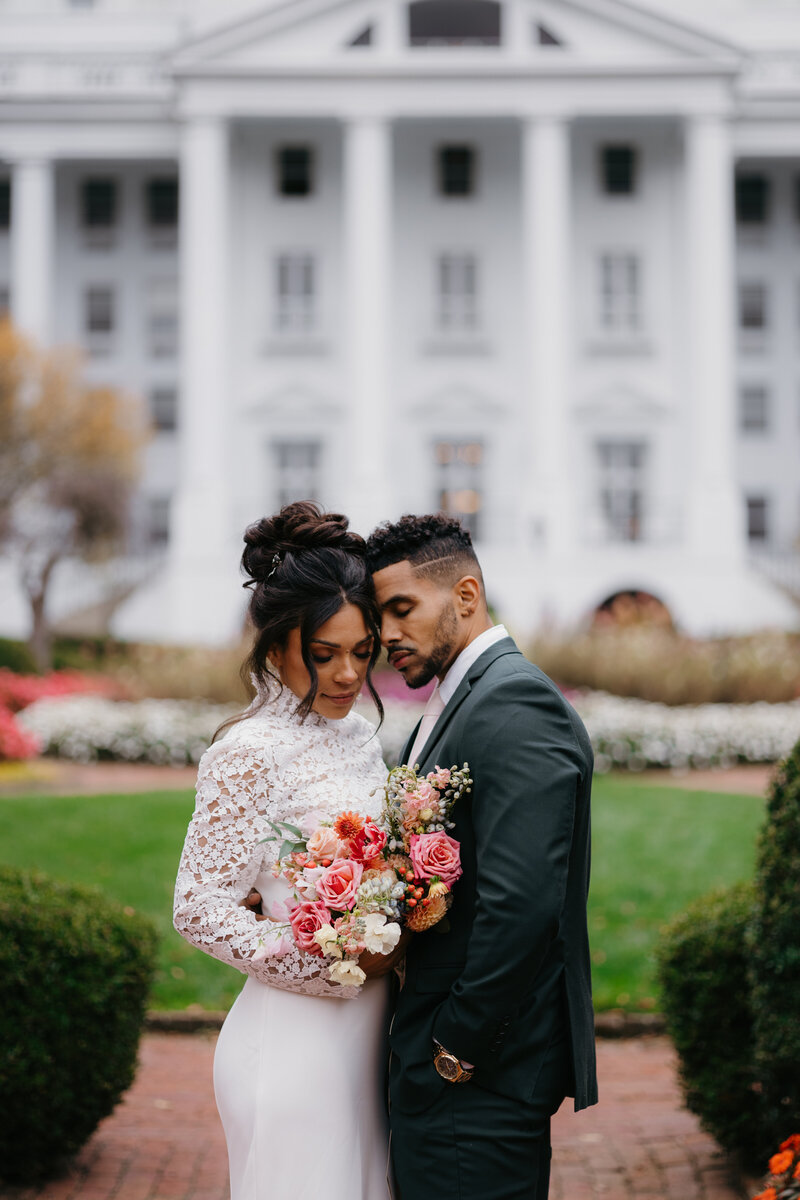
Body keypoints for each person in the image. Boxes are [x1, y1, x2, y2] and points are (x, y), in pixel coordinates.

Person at [173, 501, 402, 1200]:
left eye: (362, 653)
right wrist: (328, 963)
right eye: (323, 654)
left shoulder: (362, 737)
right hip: (292, 1043)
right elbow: (198, 907)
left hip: (372, 1039)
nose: (346, 675)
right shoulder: (247, 752)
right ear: (276, 647)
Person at [365, 513, 598, 1200]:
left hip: (479, 1081)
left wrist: (455, 1052)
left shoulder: (516, 702)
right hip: (448, 1072)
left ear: (465, 596)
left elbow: (523, 904)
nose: (386, 637)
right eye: (379, 618)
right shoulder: (462, 699)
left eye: (401, 609)